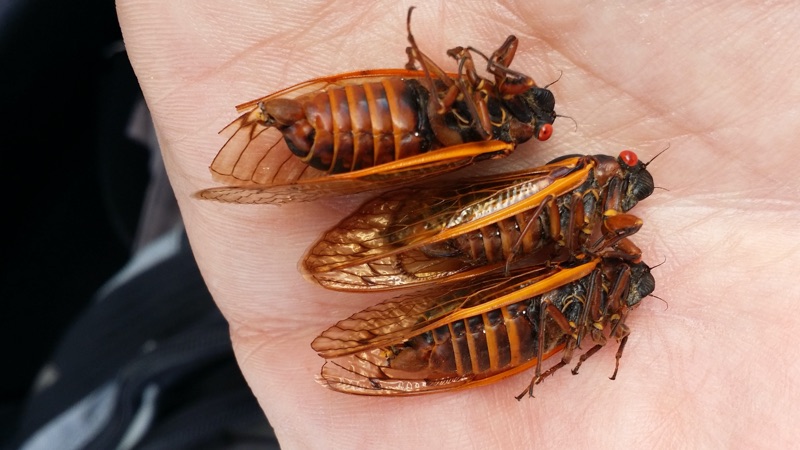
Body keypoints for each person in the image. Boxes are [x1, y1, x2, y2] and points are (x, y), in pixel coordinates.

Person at [115, 2, 800, 448]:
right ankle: (306, 136)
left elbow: (552, 274)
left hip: (492, 268)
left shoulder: (581, 239)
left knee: (463, 298)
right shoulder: (553, 185)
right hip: (409, 140)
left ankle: (397, 334)